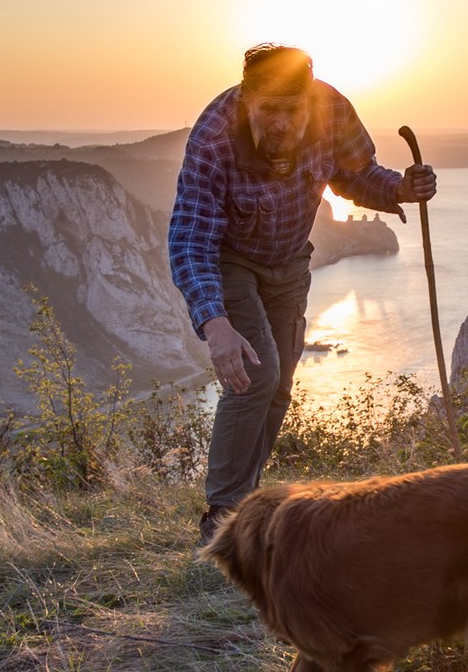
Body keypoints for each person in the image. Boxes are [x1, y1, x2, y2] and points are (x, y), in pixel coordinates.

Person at [168, 44, 438, 544]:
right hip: (232, 260)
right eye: (266, 111)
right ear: (246, 101)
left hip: (290, 263)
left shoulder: (332, 109)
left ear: (309, 102)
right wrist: (216, 323)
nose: (279, 125)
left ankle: (246, 508)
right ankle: (221, 517)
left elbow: (357, 174)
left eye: (290, 111)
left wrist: (400, 188)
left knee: (281, 387)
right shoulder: (214, 136)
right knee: (255, 374)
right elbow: (190, 237)